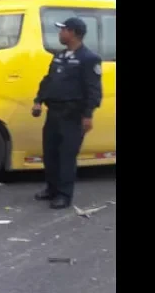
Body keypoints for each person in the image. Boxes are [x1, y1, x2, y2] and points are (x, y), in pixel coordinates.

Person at [31, 17, 102, 209]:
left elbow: (93, 89)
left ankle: (63, 194)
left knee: (66, 155)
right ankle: (51, 189)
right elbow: (48, 81)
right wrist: (38, 101)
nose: (60, 33)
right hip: (54, 112)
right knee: (50, 153)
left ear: (73, 33)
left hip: (73, 115)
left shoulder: (89, 59)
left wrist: (88, 115)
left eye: (63, 30)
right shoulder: (59, 56)